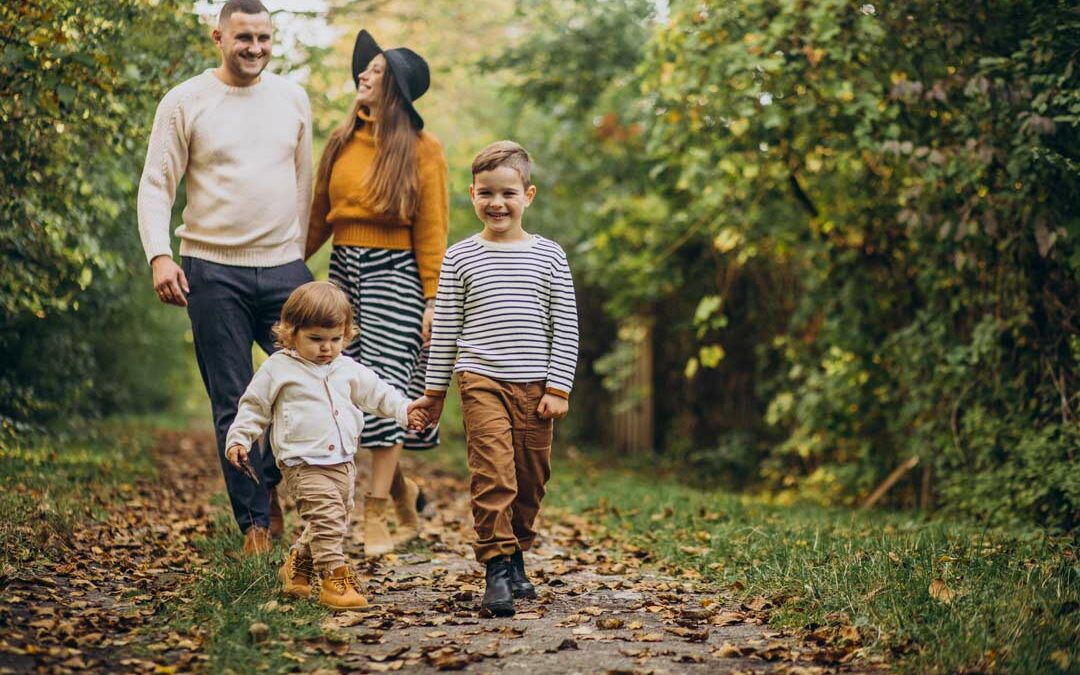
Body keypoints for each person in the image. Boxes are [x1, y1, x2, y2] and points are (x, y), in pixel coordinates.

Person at [136, 0, 314, 554]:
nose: (255, 48)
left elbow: (303, 182)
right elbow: (156, 185)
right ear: (218, 37)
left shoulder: (292, 98)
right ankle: (255, 525)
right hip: (212, 272)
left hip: (284, 267)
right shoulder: (185, 101)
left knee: (308, 388)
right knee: (233, 401)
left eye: (264, 37)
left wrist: (296, 253)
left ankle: (288, 490)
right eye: (244, 38)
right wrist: (160, 255)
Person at [412, 141, 580, 617]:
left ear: (528, 195)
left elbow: (565, 325)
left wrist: (558, 387)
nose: (497, 203)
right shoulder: (461, 257)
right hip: (480, 378)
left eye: (507, 192)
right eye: (486, 193)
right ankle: (496, 570)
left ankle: (516, 551)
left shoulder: (549, 256)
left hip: (535, 386)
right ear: (472, 195)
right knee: (494, 475)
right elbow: (444, 329)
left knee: (530, 479)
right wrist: (433, 392)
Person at [305, 29, 448, 556]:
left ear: (396, 90)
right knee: (347, 390)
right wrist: (288, 266)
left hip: (397, 276)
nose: (363, 75)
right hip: (343, 270)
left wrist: (433, 300)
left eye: (376, 72)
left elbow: (432, 228)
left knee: (385, 388)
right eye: (364, 70)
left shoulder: (422, 149)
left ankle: (375, 514)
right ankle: (405, 491)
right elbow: (317, 216)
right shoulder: (341, 141)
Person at [224, 282, 429, 609]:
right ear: (291, 332)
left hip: (343, 462)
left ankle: (296, 566)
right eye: (316, 339)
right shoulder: (279, 368)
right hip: (301, 462)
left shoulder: (346, 368)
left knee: (332, 518)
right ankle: (334, 581)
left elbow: (379, 394)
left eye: (335, 339)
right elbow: (254, 406)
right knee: (328, 520)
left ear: (346, 334)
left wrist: (405, 411)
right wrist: (239, 438)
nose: (326, 348)